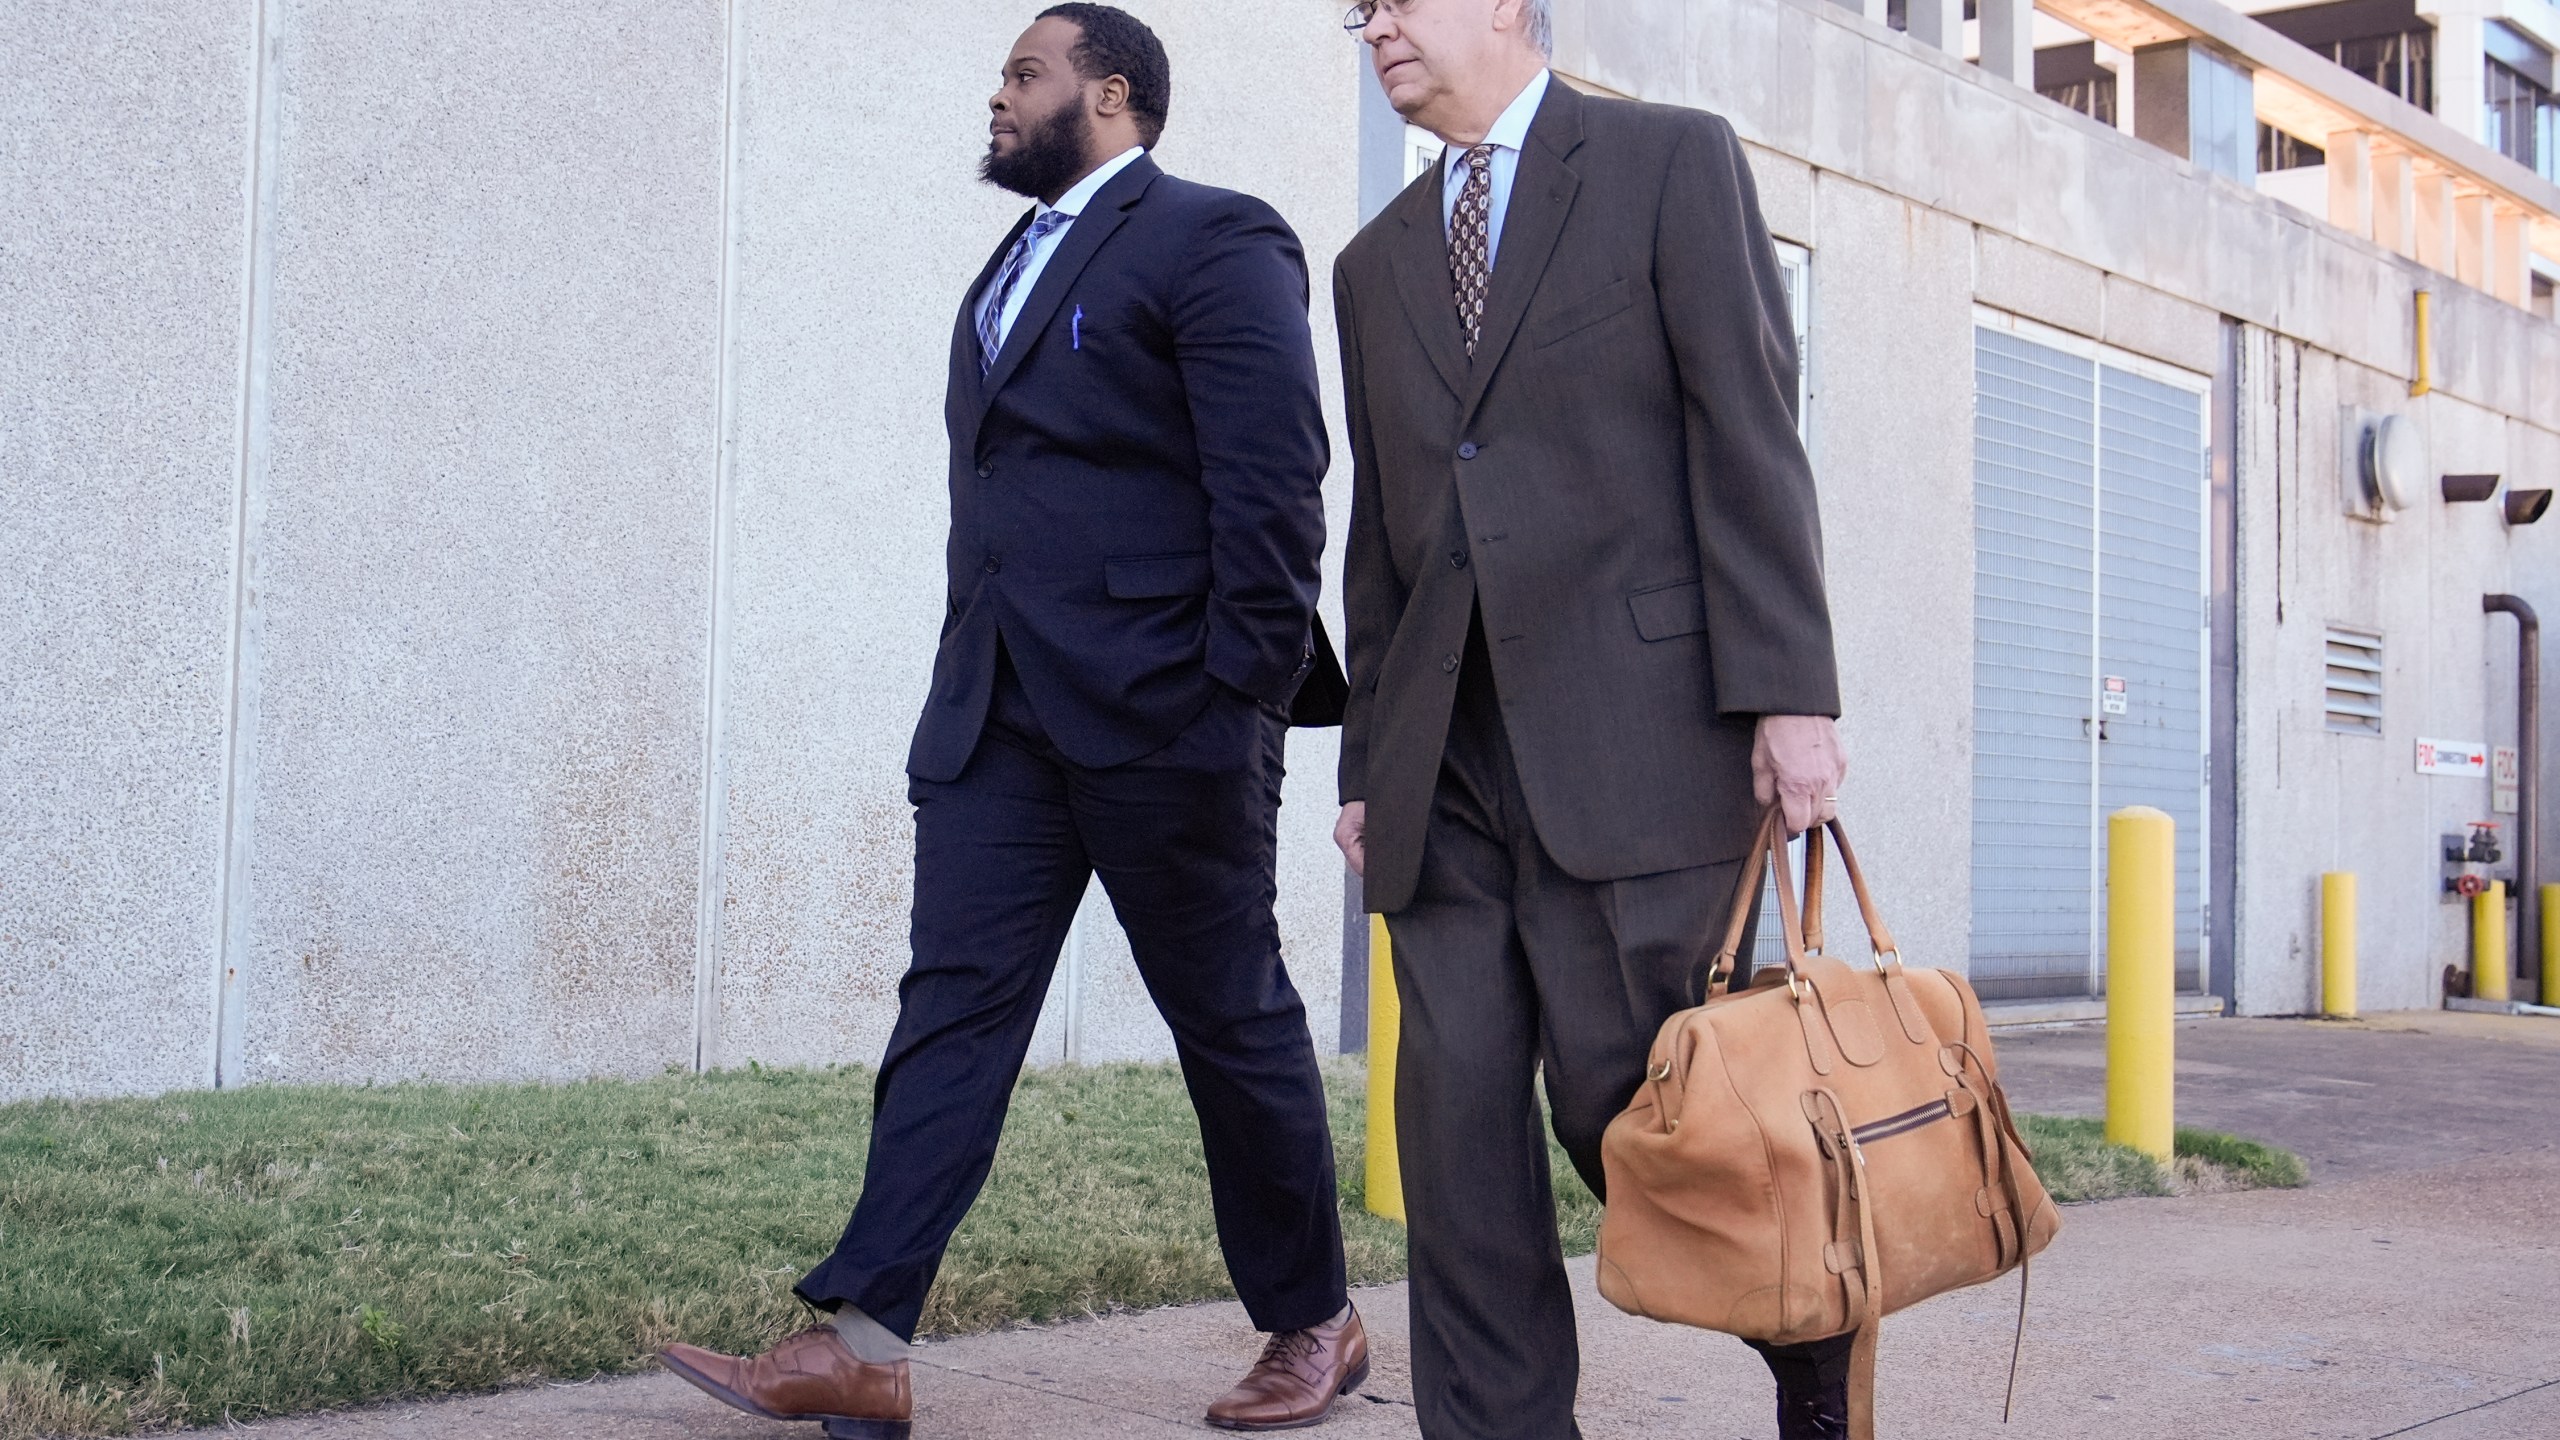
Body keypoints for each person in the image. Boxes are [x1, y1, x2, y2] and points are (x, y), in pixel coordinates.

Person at [658, 7, 1365, 1436]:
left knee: (1227, 1023)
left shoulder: (1217, 238)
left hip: (1167, 717)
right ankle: (861, 1338)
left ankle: (1315, 1321)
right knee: (953, 1014)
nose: (999, 95)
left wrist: (1232, 699)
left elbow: (1279, 485)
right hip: (997, 721)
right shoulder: (1014, 260)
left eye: (1025, 74)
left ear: (1110, 94)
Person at [1330, 1, 1854, 1437]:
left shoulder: (1667, 164)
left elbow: (1747, 429)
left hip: (1641, 740)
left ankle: (1815, 1348)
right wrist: (1370, 758)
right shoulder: (1370, 268)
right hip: (1447, 768)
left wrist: (1792, 693)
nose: (1370, 25)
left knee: (1644, 1116)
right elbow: (1381, 536)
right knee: (1458, 1147)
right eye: (1353, 7)